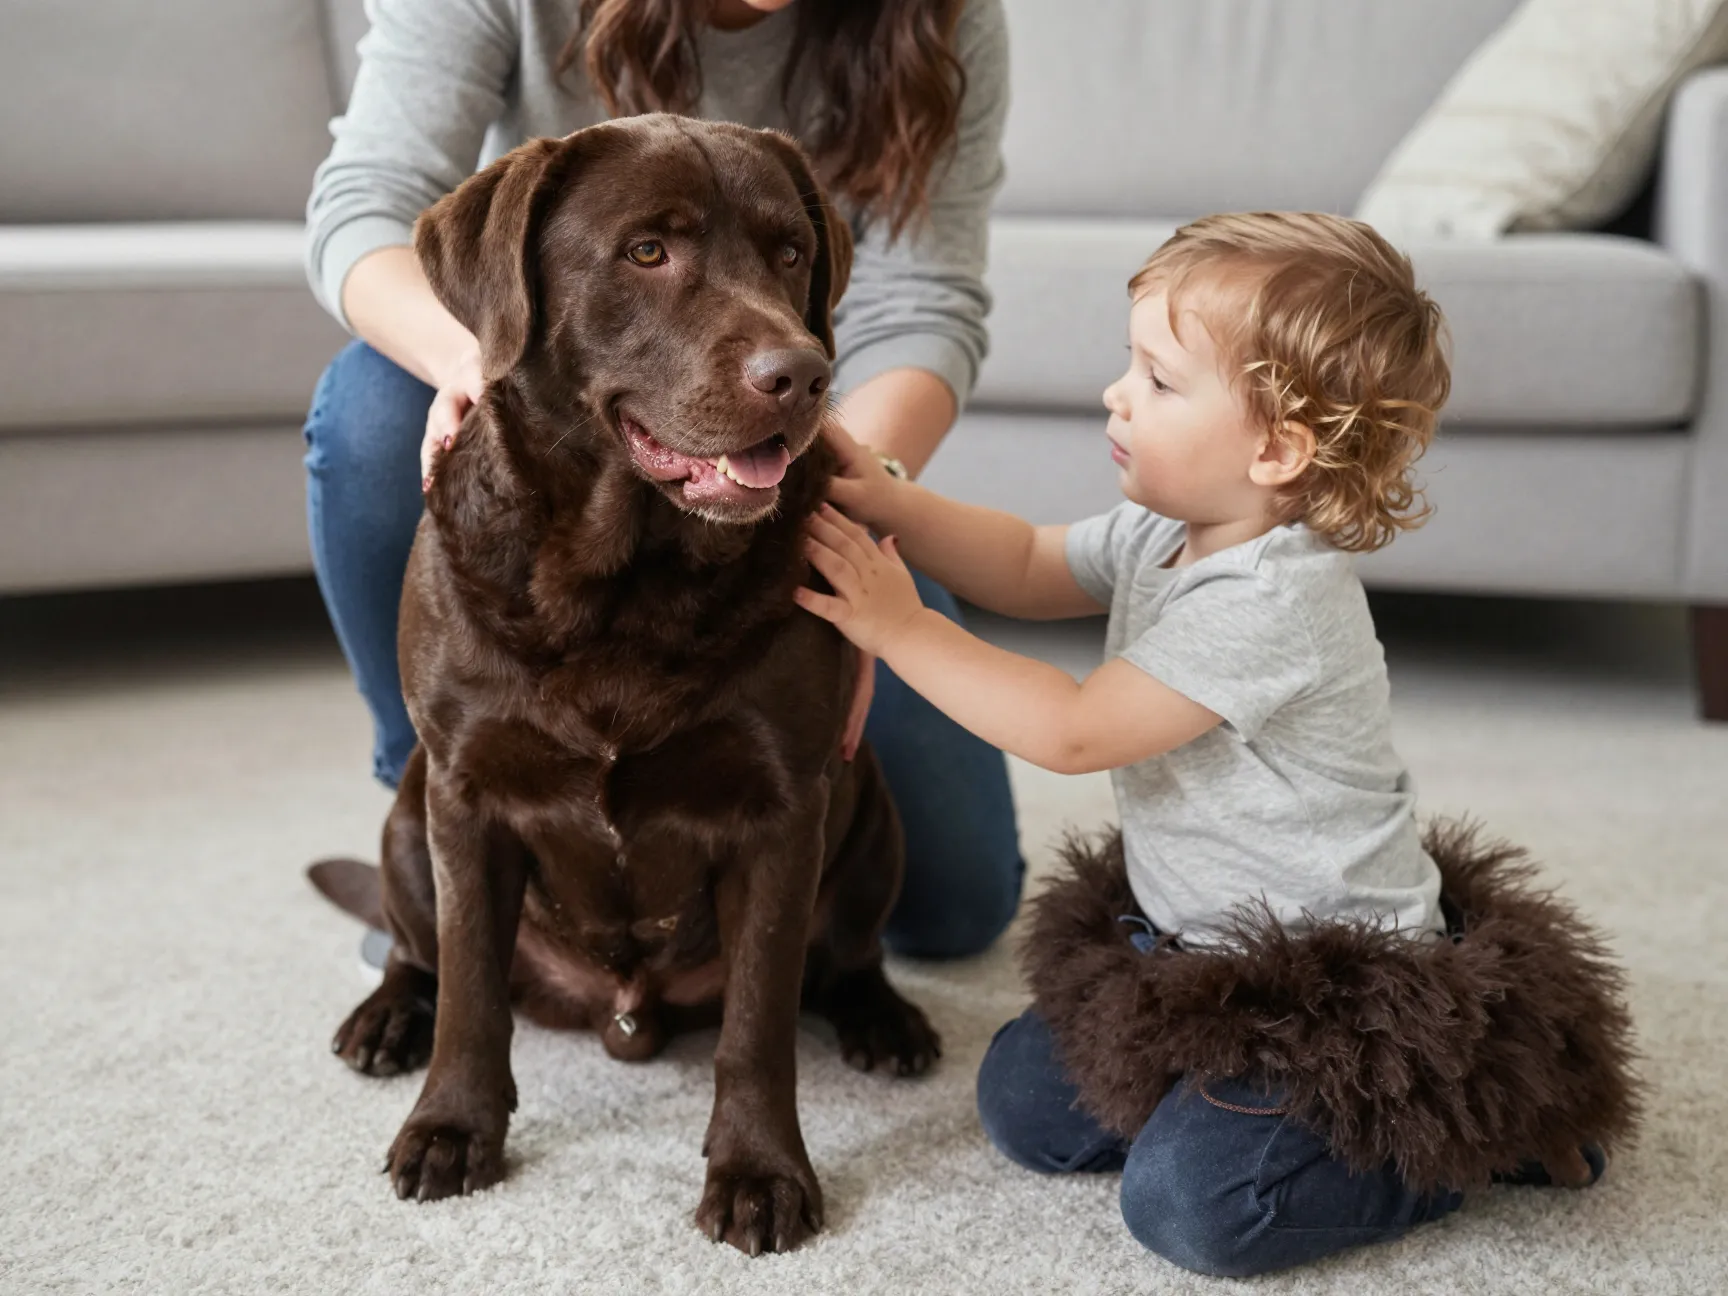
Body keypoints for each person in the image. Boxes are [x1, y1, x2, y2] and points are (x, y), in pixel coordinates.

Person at [798, 211, 1637, 1277]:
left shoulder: (1278, 598)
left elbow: (1073, 729)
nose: (1117, 394)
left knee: (1195, 1206)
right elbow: (1020, 560)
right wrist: (892, 505)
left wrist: (896, 625)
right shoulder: (1170, 528)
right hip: (1194, 959)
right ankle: (1225, 1098)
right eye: (1129, 365)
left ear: (1277, 447)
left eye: (1156, 379)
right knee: (1023, 1105)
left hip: (1333, 999)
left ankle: (1465, 1140)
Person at [302, 0, 1023, 961]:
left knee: (956, 905)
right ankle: (451, 819)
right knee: (367, 407)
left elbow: (925, 300)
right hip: (562, 406)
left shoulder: (938, 18)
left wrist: (858, 501)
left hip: (764, 469)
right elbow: (366, 203)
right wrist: (476, 362)